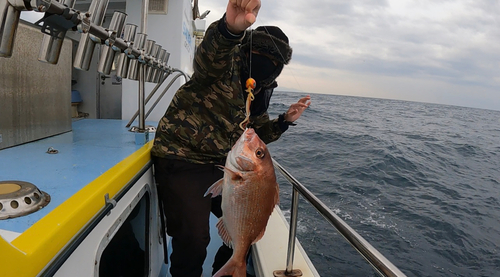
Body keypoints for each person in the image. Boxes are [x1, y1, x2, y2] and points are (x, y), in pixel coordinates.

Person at [151, 0, 311, 276]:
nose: (266, 64)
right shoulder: (221, 65)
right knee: (194, 237)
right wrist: (230, 29)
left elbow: (257, 132)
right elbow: (210, 55)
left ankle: (226, 268)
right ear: (247, 48)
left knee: (244, 231)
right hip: (182, 156)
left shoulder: (258, 88)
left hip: (223, 166)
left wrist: (284, 121)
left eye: (275, 62)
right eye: (260, 53)